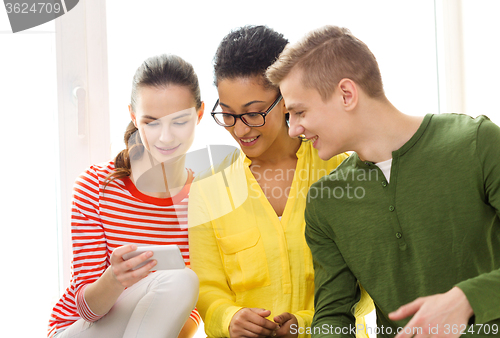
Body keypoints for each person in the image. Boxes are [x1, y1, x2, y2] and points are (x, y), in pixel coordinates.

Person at [266, 25, 500, 338]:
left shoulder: (476, 144)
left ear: (346, 94)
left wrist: (468, 298)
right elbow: (333, 315)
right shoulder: (325, 201)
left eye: (299, 112)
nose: (293, 129)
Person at [188, 25, 373, 338]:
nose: (240, 129)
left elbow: (369, 286)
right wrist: (230, 318)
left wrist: (308, 324)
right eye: (228, 114)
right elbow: (207, 290)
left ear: (286, 99)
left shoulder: (345, 174)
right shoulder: (209, 191)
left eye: (254, 113)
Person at [48, 54, 204, 338]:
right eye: (152, 122)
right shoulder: (95, 187)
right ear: (133, 116)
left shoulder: (204, 197)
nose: (165, 137)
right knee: (181, 280)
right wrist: (114, 279)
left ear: (200, 114)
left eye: (179, 121)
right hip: (84, 330)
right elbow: (86, 309)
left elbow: (191, 305)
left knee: (184, 282)